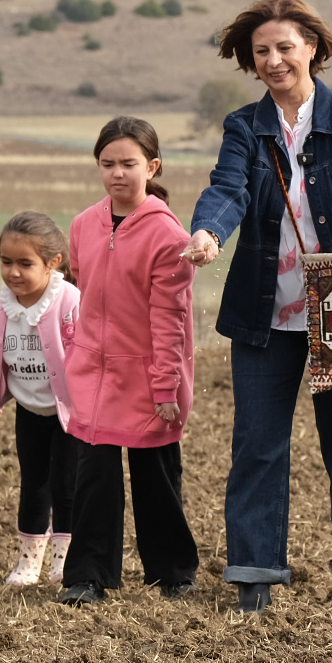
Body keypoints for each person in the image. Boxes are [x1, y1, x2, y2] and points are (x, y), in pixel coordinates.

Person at [185, 0, 332, 613]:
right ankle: (255, 576)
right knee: (258, 444)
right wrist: (207, 233)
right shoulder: (244, 126)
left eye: (285, 47)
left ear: (312, 46)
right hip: (266, 309)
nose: (275, 59)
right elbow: (227, 189)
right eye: (262, 51)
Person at [59, 117, 202, 605]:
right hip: (93, 375)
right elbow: (82, 287)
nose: (117, 173)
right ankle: (88, 577)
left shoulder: (167, 236)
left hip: (149, 376)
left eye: (129, 163)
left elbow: (171, 320)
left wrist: (166, 388)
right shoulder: (82, 224)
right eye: (107, 164)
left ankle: (173, 572)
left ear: (152, 166)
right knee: (93, 478)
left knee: (156, 475)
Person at [0, 211, 81, 588]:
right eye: (6, 262)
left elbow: (86, 355)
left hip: (68, 412)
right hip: (29, 409)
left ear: (53, 263)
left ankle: (63, 563)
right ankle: (28, 564)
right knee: (33, 482)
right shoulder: (1, 307)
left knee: (66, 484)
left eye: (25, 264)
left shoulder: (68, 301)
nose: (13, 273)